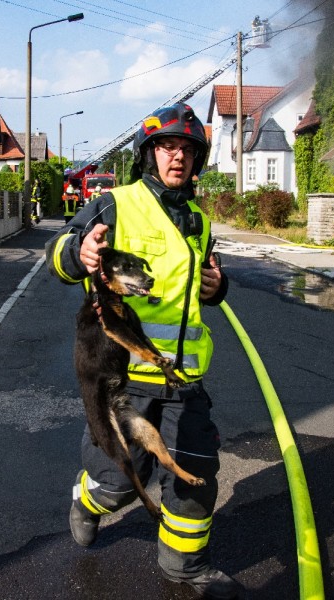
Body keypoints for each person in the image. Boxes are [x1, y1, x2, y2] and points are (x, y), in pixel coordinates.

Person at [45, 103, 236, 599]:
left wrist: (217, 286)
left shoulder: (198, 220)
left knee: (197, 478)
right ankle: (90, 501)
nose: (178, 157)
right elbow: (61, 256)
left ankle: (184, 568)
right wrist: (79, 253)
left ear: (197, 161)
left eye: (188, 150)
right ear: (150, 154)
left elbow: (199, 291)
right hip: (124, 380)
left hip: (183, 381)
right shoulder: (116, 203)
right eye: (168, 147)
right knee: (123, 480)